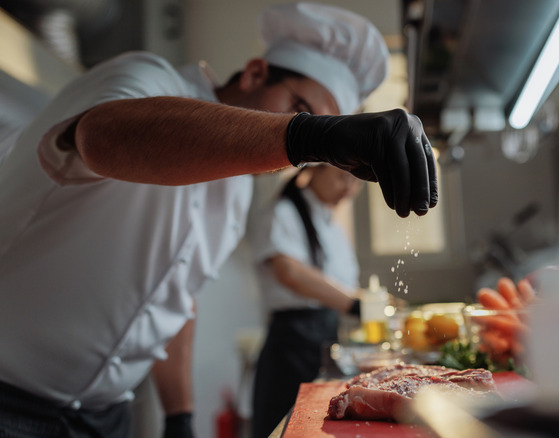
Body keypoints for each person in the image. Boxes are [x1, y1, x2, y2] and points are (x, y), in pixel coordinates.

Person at [0, 1, 436, 437]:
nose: (305, 153)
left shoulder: (237, 189)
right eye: (298, 106)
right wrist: (308, 135)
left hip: (108, 417)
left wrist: (179, 415)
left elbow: (172, 302)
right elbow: (100, 137)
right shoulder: (147, 77)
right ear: (254, 73)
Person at [247, 163, 362, 437]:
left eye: (355, 181)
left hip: (325, 335)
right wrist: (354, 304)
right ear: (316, 169)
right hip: (292, 344)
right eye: (342, 177)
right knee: (286, 429)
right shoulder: (283, 212)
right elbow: (290, 272)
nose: (349, 188)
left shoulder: (330, 223)